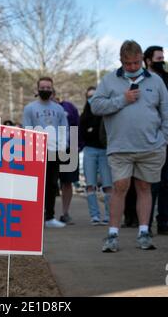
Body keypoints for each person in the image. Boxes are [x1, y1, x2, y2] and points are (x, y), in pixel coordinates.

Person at [90, 40, 168, 252]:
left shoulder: (155, 81)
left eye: (136, 62)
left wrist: (163, 138)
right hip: (120, 148)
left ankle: (144, 232)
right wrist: (122, 99)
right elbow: (96, 106)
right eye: (128, 63)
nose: (132, 67)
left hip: (150, 148)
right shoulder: (110, 80)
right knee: (120, 187)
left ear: (142, 60)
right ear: (121, 61)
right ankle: (112, 235)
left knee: (145, 188)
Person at [144, 46, 168, 236]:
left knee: (167, 182)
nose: (162, 61)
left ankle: (163, 223)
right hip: (152, 139)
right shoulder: (142, 81)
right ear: (148, 60)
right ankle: (146, 224)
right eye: (158, 58)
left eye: (163, 57)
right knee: (151, 182)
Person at [22, 77, 69, 228]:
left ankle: (49, 217)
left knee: (51, 185)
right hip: (35, 151)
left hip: (54, 151)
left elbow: (64, 129)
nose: (46, 90)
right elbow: (26, 129)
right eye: (43, 87)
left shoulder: (59, 109)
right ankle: (32, 217)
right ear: (37, 89)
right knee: (34, 185)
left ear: (52, 89)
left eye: (48, 87)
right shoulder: (30, 108)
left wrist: (63, 146)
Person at [79, 86, 113, 226]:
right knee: (90, 184)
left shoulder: (106, 114)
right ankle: (94, 215)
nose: (92, 99)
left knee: (107, 185)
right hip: (89, 151)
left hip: (105, 151)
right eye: (89, 96)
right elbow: (82, 133)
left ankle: (109, 215)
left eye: (94, 96)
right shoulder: (84, 116)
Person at [53, 90, 80, 225]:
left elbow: (76, 126)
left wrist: (77, 146)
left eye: (53, 95)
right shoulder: (40, 109)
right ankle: (48, 213)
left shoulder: (69, 107)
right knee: (49, 183)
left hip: (68, 148)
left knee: (67, 182)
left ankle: (65, 213)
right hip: (50, 149)